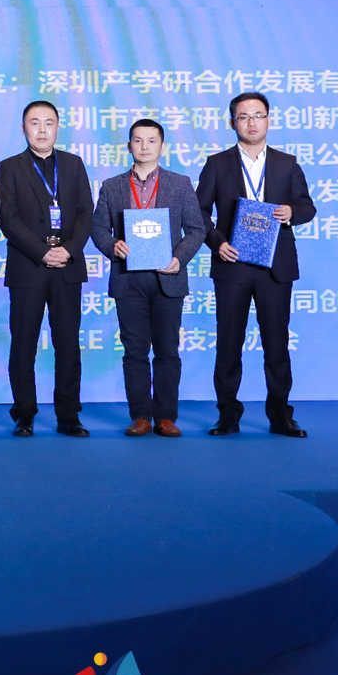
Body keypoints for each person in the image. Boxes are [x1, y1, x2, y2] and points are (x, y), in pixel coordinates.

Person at [196, 91, 317, 437]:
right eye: (244, 116)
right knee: (228, 343)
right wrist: (218, 243)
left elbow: (307, 206)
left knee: (276, 344)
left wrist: (292, 212)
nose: (251, 123)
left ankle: (281, 416)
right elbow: (198, 212)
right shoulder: (217, 164)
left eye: (258, 115)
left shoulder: (287, 164)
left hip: (274, 267)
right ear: (232, 122)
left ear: (268, 120)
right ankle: (227, 415)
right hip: (232, 263)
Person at [91, 118, 206, 437]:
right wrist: (113, 246)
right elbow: (98, 229)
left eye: (151, 140)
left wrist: (178, 258)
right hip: (128, 280)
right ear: (129, 146)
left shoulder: (180, 184)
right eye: (138, 140)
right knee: (135, 351)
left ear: (162, 146)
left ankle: (166, 416)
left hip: (167, 278)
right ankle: (140, 416)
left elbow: (196, 229)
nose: (144, 146)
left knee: (168, 350)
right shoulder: (112, 186)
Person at [0, 100, 93, 437]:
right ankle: (24, 414)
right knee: (24, 343)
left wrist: (68, 250)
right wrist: (42, 252)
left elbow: (86, 213)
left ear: (57, 127)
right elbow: (8, 218)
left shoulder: (73, 164)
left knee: (68, 344)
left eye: (48, 122)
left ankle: (69, 416)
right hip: (28, 267)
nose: (41, 129)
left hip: (67, 266)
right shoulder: (10, 167)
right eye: (34, 122)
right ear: (23, 128)